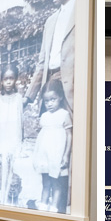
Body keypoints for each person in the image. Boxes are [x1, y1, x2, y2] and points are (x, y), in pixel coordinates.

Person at [28, 0, 76, 111]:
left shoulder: (84, 12)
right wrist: (29, 95)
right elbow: (42, 62)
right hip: (50, 84)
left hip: (71, 87)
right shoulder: (50, 21)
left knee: (71, 131)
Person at [0, 64, 31, 206]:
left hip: (13, 136)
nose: (8, 82)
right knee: (0, 167)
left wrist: (20, 140)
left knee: (11, 167)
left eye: (11, 78)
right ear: (1, 81)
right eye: (5, 79)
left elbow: (20, 120)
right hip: (2, 138)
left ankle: (9, 196)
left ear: (15, 80)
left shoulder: (18, 98)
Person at [30, 81, 71, 213]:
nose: (49, 104)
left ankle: (54, 208)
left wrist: (66, 155)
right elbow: (42, 138)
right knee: (46, 181)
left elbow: (69, 135)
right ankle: (43, 205)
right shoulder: (44, 116)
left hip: (57, 154)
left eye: (52, 99)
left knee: (57, 182)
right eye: (47, 101)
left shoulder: (64, 115)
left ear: (60, 97)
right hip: (45, 154)